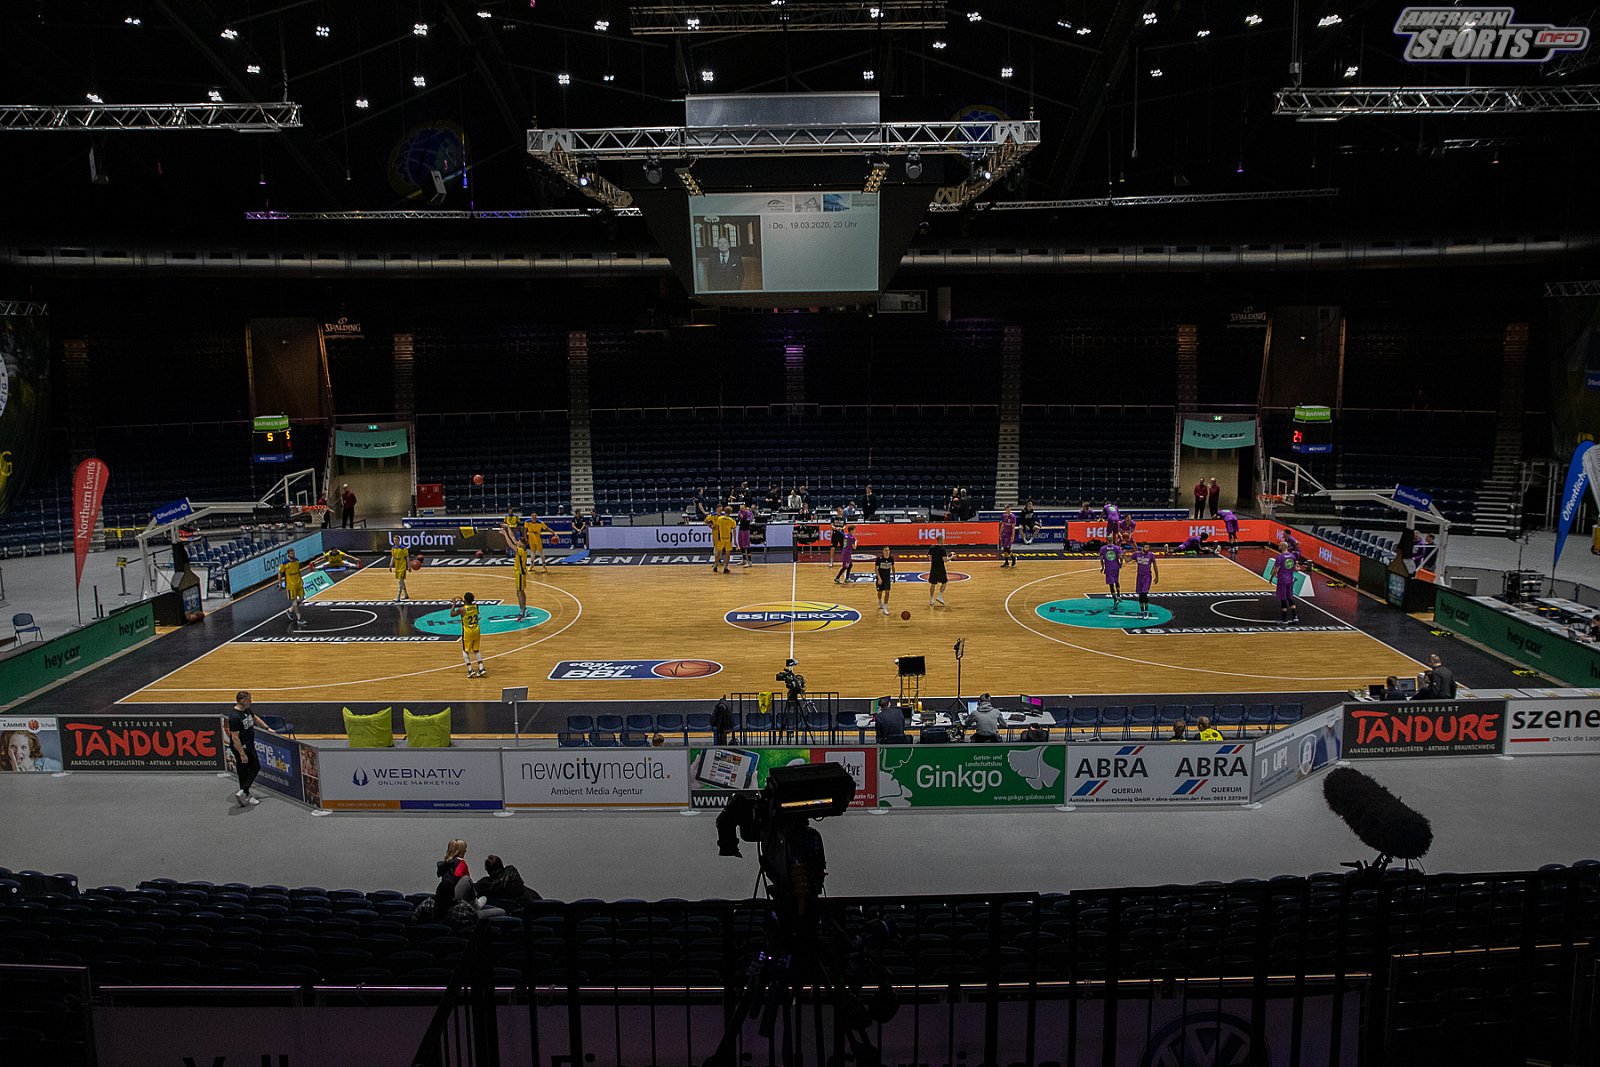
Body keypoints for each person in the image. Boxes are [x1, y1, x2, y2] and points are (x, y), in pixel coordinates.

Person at [226, 691, 261, 807]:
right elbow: (235, 738)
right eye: (249, 699)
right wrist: (242, 753)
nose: (251, 701)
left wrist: (267, 728)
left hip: (249, 745)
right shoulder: (235, 717)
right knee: (249, 769)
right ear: (242, 701)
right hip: (241, 748)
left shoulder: (246, 710)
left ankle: (244, 792)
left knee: (250, 768)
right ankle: (244, 792)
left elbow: (255, 718)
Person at [474, 854, 541, 904]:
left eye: (491, 858)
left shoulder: (509, 872)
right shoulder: (484, 883)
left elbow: (502, 884)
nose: (489, 858)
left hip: (531, 902)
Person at [451, 592, 487, 678]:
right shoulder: (476, 606)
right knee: (476, 650)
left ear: (465, 599)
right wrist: (464, 601)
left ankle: (470, 670)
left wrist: (454, 604)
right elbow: (469, 605)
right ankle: (481, 668)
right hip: (476, 630)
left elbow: (452, 614)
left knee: (465, 651)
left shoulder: (462, 609)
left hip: (468, 632)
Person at [1273, 540, 1301, 624]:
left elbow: (1276, 569)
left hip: (1282, 580)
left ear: (1282, 547)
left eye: (1279, 545)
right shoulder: (1292, 556)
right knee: (1290, 597)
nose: (1278, 546)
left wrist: (1272, 576)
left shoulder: (1280, 557)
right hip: (1290, 579)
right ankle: (1295, 616)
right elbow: (1295, 568)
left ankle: (1284, 618)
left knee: (1283, 598)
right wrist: (1298, 568)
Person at [277, 548, 306, 625]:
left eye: (293, 553)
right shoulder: (284, 564)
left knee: (302, 598)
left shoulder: (297, 561)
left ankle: (290, 610)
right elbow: (279, 573)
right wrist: (280, 584)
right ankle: (299, 618)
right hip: (291, 585)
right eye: (291, 553)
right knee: (294, 601)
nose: (293, 554)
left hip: (299, 583)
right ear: (288, 554)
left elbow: (298, 571)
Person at [1132, 543, 1159, 618]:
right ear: (1142, 547)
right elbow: (1127, 560)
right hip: (1139, 576)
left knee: (1144, 593)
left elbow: (1155, 566)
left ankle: (1146, 611)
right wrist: (1123, 553)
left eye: (1148, 547)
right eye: (1146, 547)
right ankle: (1142, 611)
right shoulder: (1137, 554)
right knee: (1140, 594)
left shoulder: (1151, 555)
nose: (1147, 549)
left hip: (1147, 577)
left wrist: (1157, 576)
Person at [707, 505, 736, 574]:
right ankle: (725, 568)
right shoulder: (732, 520)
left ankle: (715, 566)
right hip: (728, 539)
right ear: (731, 512)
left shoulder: (720, 518)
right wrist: (735, 540)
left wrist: (711, 527)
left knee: (718, 552)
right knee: (727, 554)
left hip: (721, 538)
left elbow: (716, 526)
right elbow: (734, 530)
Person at [1099, 540, 1124, 610]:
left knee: (1111, 585)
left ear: (1106, 541)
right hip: (1116, 567)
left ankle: (1115, 600)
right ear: (1112, 541)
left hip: (1108, 568)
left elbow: (1101, 559)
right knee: (1117, 581)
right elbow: (1121, 557)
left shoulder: (1103, 548)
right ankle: (1118, 595)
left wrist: (1102, 567)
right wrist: (1121, 564)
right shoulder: (1117, 548)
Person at [927, 532, 949, 606]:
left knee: (933, 584)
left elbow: (930, 558)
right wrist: (951, 557)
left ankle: (931, 600)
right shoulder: (942, 549)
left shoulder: (931, 548)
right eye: (943, 539)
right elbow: (945, 560)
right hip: (940, 568)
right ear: (941, 540)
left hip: (933, 568)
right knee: (944, 582)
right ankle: (939, 596)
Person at [874, 546, 895, 616]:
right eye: (885, 550)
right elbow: (876, 570)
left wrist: (894, 576)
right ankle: (880, 601)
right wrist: (879, 578)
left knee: (887, 592)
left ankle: (885, 607)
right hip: (880, 577)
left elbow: (893, 567)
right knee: (880, 592)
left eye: (888, 550)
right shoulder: (879, 559)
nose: (887, 552)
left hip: (887, 578)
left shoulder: (891, 559)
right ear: (883, 551)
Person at [512, 543, 532, 620]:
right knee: (520, 591)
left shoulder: (520, 550)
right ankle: (524, 608)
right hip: (521, 573)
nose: (517, 542)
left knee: (520, 592)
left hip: (520, 573)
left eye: (519, 541)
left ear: (522, 544)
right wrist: (508, 534)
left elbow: (510, 544)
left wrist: (505, 536)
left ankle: (522, 611)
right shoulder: (522, 549)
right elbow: (513, 538)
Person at [736, 503, 755, 567]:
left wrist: (743, 518)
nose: (741, 509)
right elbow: (737, 520)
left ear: (745, 507)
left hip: (746, 530)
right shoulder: (739, 512)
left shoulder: (748, 513)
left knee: (746, 545)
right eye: (740, 508)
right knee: (741, 545)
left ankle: (749, 562)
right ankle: (744, 560)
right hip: (741, 530)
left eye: (742, 508)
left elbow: (748, 521)